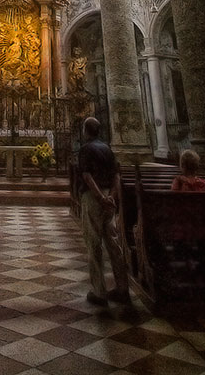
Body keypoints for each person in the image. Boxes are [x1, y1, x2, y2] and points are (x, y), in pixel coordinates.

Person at [78, 116, 131, 307]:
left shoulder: (86, 149)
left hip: (94, 198)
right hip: (108, 198)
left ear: (86, 131)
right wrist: (112, 198)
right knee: (114, 245)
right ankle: (123, 288)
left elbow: (86, 176)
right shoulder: (108, 149)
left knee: (94, 243)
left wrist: (100, 198)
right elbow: (117, 174)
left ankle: (99, 292)